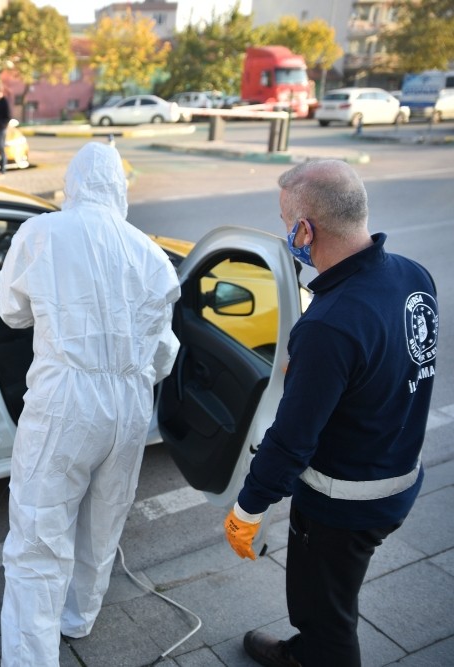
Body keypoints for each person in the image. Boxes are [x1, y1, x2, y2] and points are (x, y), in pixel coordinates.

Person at [224, 159, 438, 667]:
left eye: (285, 222)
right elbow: (391, 367)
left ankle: (313, 655)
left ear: (305, 229)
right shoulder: (412, 275)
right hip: (397, 478)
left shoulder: (330, 325)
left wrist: (248, 510)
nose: (286, 233)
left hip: (341, 506)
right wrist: (320, 376)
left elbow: (292, 440)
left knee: (325, 615)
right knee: (337, 592)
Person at [0, 142, 181, 667]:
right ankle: (78, 618)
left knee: (39, 532)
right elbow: (165, 351)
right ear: (119, 189)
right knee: (105, 517)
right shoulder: (148, 252)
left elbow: (12, 312)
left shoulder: (41, 233)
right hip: (128, 402)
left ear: (71, 185)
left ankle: (32, 658)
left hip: (66, 399)